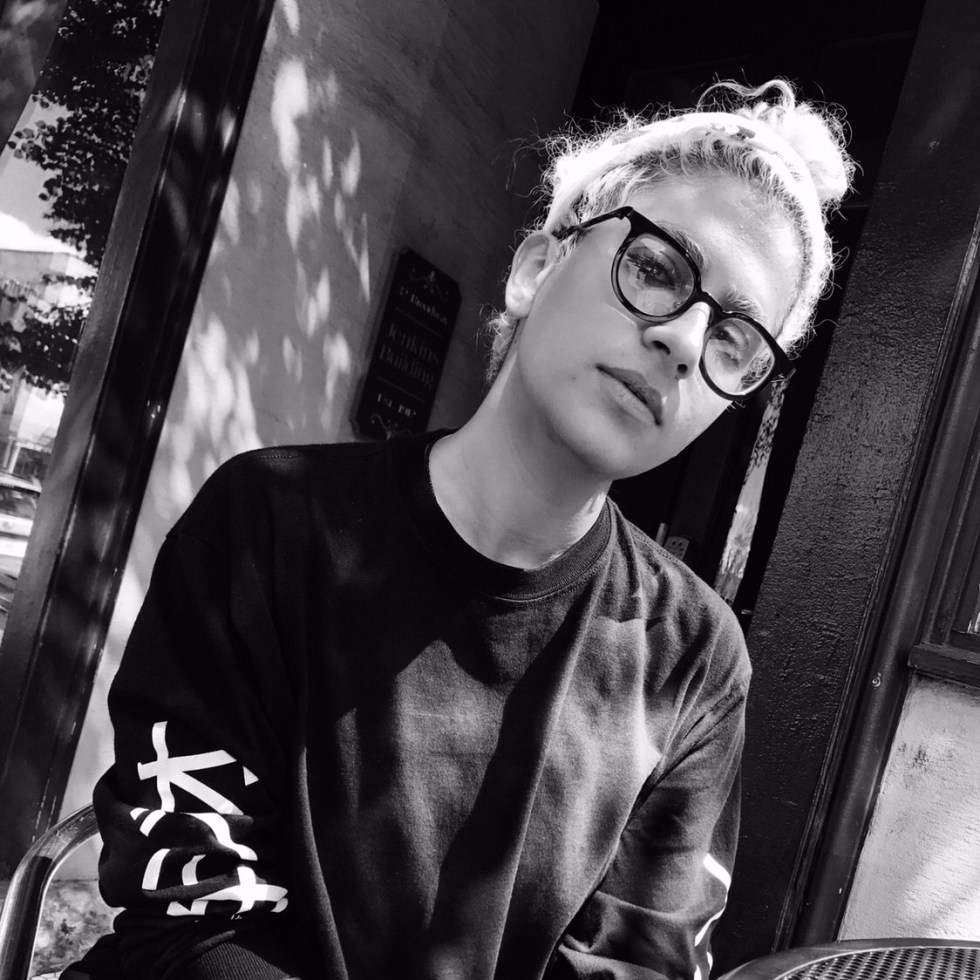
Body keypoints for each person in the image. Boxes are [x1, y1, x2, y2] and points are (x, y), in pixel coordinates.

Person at [75, 78, 853, 980]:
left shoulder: (694, 658)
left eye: (736, 341)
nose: (684, 341)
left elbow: (640, 964)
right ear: (535, 268)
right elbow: (191, 922)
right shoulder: (268, 523)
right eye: (657, 268)